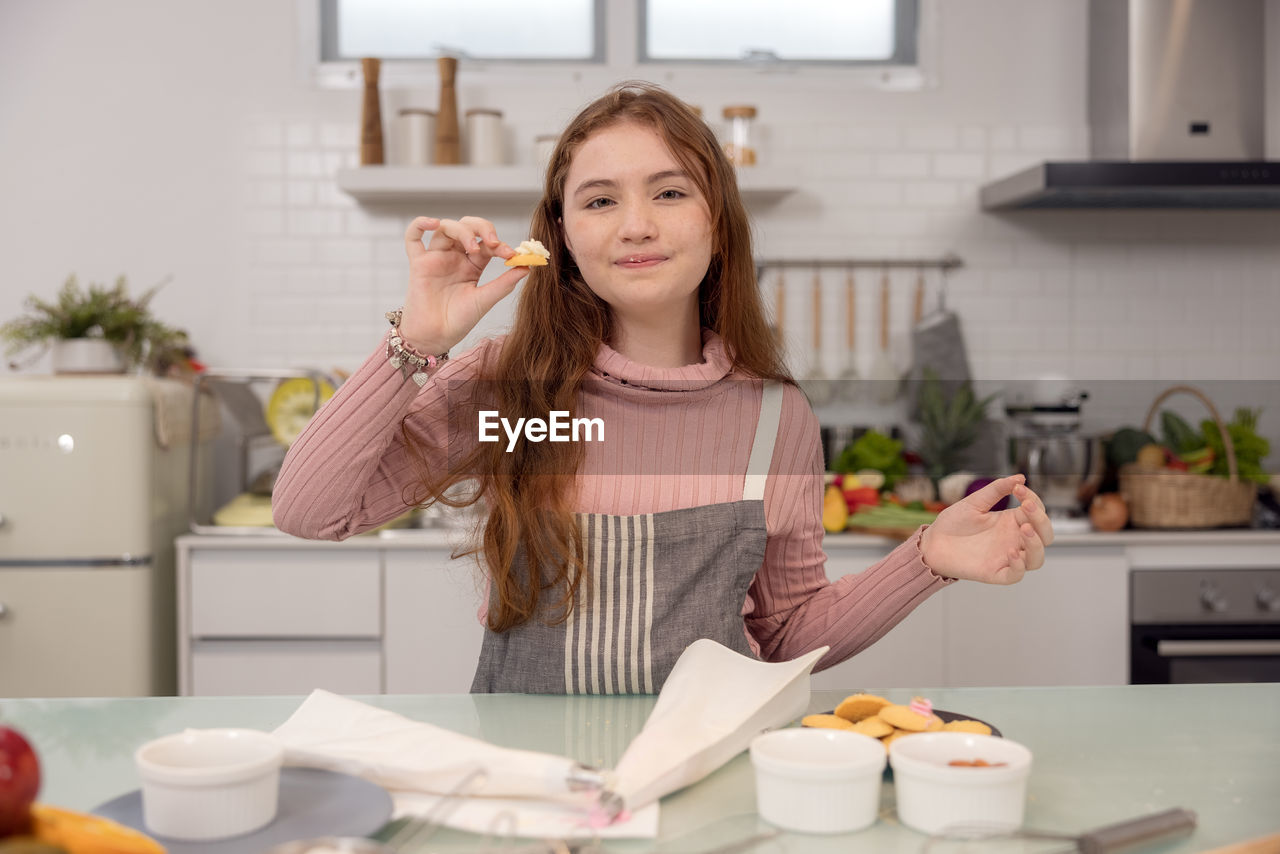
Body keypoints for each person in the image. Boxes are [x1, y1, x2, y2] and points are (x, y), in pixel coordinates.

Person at [273, 81, 1054, 694]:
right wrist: (422, 342)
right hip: (534, 777)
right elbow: (308, 512)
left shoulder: (774, 417)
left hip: (711, 772)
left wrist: (929, 558)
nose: (636, 225)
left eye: (670, 192)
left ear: (718, 220)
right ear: (564, 238)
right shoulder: (509, 392)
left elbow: (784, 636)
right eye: (601, 200)